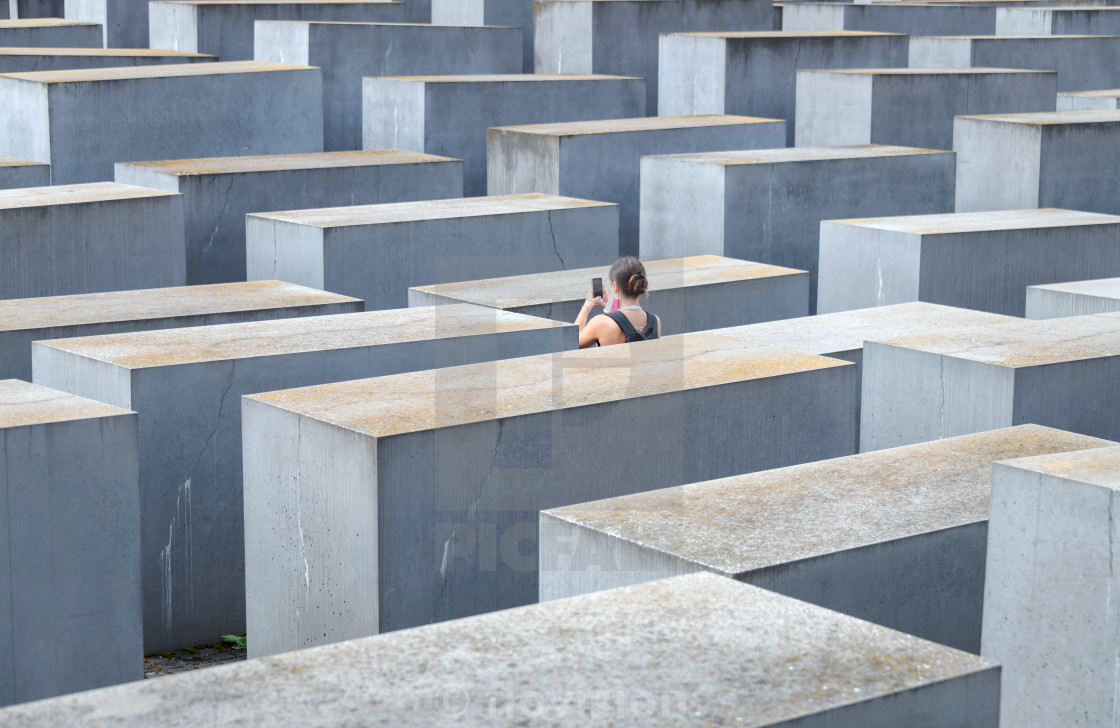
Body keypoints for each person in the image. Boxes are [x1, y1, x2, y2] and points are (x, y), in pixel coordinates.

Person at [576, 257, 661, 348]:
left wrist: (587, 306)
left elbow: (571, 342)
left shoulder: (601, 323)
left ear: (615, 286)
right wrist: (612, 308)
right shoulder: (655, 321)